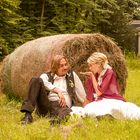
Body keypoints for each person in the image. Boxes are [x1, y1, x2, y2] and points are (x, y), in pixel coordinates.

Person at [71, 52, 140, 120]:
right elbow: (90, 94)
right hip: (101, 99)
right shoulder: (97, 74)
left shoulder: (109, 73)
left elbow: (99, 92)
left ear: (98, 64)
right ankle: (105, 116)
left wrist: (92, 77)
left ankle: (108, 116)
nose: (89, 68)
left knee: (113, 108)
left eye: (91, 65)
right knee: (89, 109)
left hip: (110, 98)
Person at [20, 54, 86, 124]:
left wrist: (88, 109)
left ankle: (57, 121)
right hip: (46, 106)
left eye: (66, 64)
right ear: (55, 68)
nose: (65, 67)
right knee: (35, 80)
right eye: (61, 66)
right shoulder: (46, 76)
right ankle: (27, 116)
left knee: (68, 113)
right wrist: (58, 91)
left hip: (62, 108)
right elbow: (42, 81)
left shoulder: (72, 76)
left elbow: (82, 96)